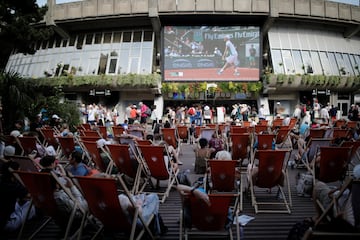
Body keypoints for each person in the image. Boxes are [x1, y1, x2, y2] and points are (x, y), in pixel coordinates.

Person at [0, 161, 36, 233]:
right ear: (14, 173)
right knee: (31, 206)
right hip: (7, 224)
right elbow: (31, 195)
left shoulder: (3, 181)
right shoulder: (13, 186)